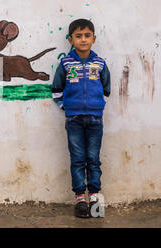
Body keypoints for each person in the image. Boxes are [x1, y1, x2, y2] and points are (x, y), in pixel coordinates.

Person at [52, 19, 111, 218]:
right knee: (78, 159)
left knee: (93, 159)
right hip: (74, 119)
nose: (83, 39)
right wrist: (65, 106)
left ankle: (94, 198)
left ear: (93, 38)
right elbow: (56, 89)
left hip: (95, 118)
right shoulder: (66, 63)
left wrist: (97, 105)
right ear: (71, 39)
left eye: (87, 35)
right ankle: (80, 200)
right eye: (78, 36)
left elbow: (106, 88)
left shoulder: (100, 63)